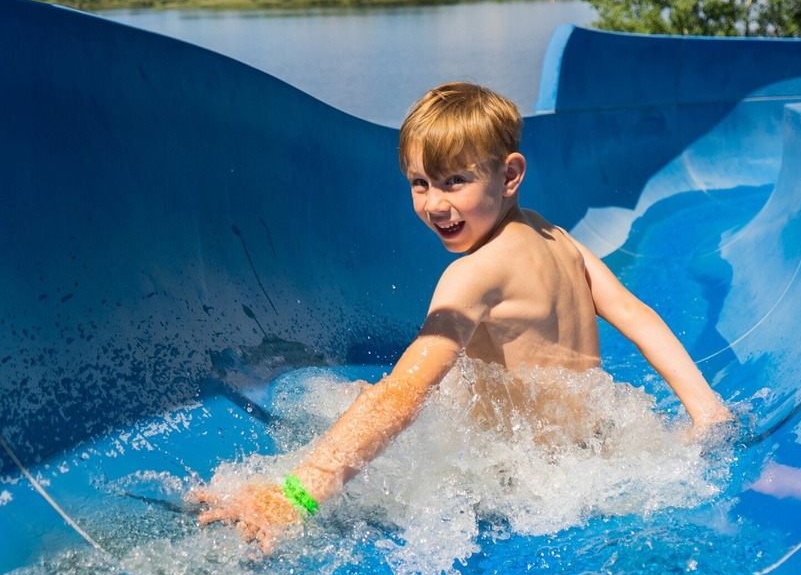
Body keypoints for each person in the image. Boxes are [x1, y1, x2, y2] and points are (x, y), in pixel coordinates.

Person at [193, 81, 731, 547]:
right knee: (375, 398)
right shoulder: (558, 239)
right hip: (592, 446)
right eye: (419, 183)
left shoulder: (472, 274)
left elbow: (405, 393)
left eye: (454, 181)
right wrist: (706, 412)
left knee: (357, 405)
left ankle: (281, 491)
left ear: (510, 174)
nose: (434, 203)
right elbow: (638, 317)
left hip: (533, 477)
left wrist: (298, 494)